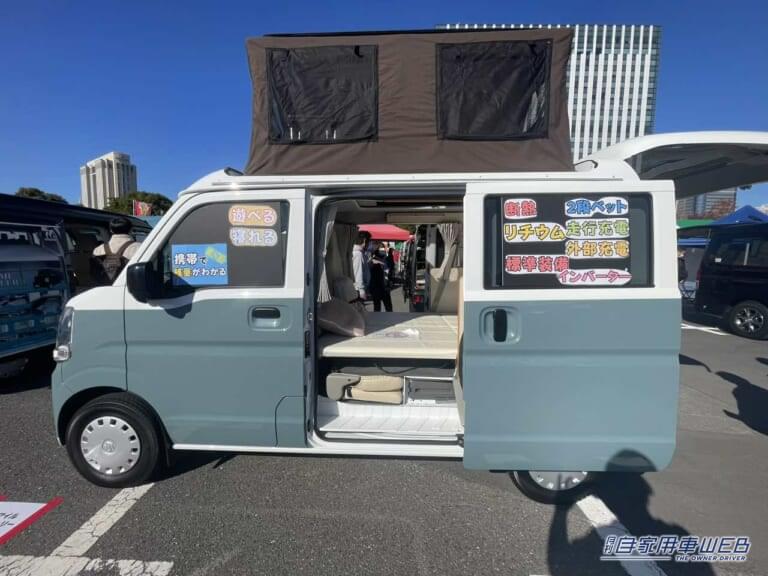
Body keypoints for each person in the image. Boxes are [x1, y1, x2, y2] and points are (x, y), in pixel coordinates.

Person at [92, 217, 140, 284]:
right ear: (131, 230)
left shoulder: (97, 250)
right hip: (129, 287)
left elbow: (94, 274)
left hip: (103, 288)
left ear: (111, 230)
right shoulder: (139, 247)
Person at [369, 242, 393, 312]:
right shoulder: (374, 262)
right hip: (379, 288)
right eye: (381, 249)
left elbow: (389, 271)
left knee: (386, 308)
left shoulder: (385, 260)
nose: (383, 251)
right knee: (379, 308)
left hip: (383, 288)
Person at [352, 230, 372, 300]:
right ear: (364, 241)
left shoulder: (358, 253)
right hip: (358, 291)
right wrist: (361, 291)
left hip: (357, 289)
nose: (369, 244)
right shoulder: (358, 254)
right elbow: (358, 273)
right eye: (369, 242)